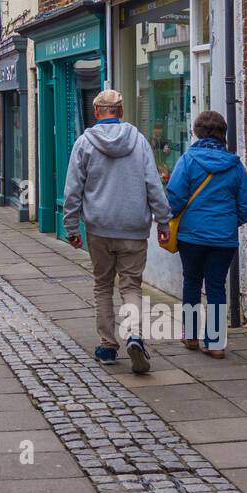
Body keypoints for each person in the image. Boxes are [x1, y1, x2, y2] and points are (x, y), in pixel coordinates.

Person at [62, 89, 171, 374]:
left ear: (97, 112)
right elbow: (153, 185)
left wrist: (71, 226)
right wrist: (163, 221)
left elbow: (73, 189)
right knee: (131, 286)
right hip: (134, 227)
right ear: (121, 111)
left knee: (102, 285)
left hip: (99, 227)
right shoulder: (139, 141)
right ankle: (134, 334)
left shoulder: (84, 143)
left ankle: (108, 346)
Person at [167, 111, 247, 359]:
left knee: (192, 281)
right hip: (223, 237)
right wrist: (230, 222)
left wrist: (171, 217)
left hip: (191, 235)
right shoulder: (235, 165)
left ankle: (191, 335)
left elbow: (175, 196)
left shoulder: (188, 160)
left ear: (197, 132)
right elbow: (246, 203)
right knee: (216, 285)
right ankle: (215, 342)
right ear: (222, 134)